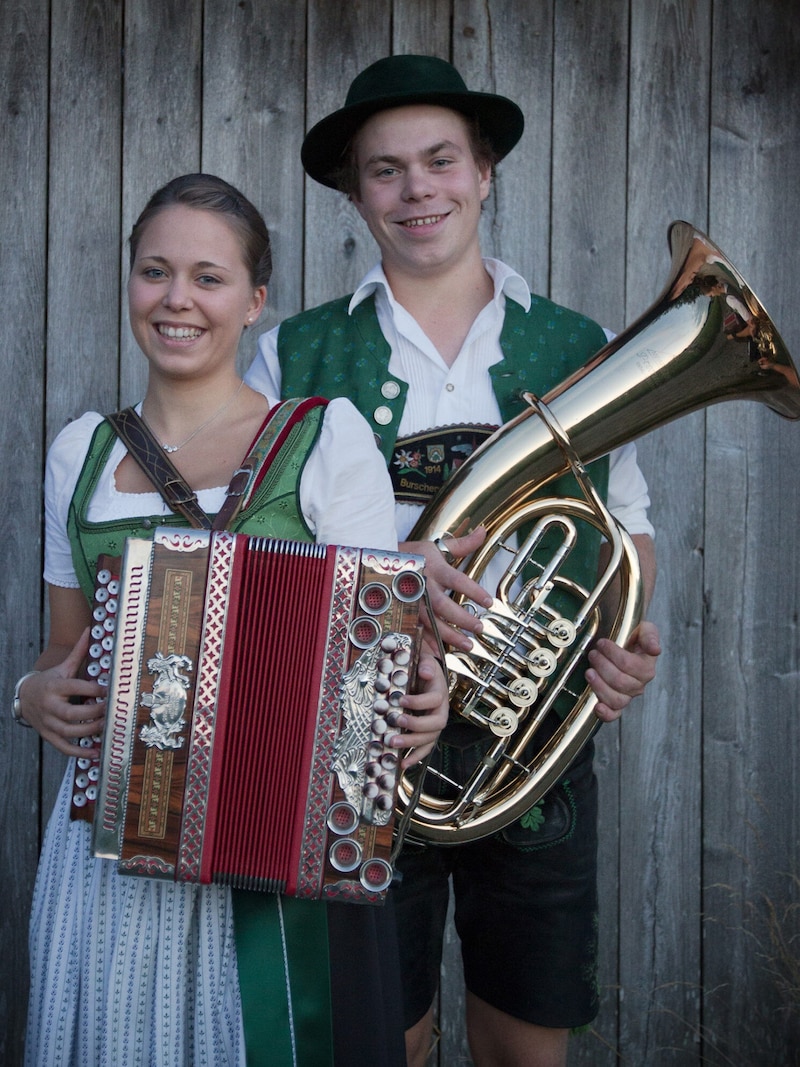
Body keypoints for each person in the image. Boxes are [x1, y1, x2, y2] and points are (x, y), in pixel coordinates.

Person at [245, 55, 662, 1067]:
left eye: (439, 161)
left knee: (525, 1038)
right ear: (355, 193)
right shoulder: (287, 354)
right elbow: (256, 557)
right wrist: (392, 578)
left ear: (483, 172)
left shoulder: (582, 345)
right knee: (377, 1036)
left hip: (534, 744)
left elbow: (625, 523)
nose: (415, 188)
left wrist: (626, 639)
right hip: (360, 739)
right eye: (385, 170)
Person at [14, 173, 449, 1067]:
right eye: (155, 272)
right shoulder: (80, 450)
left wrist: (422, 697)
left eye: (208, 278)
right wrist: (28, 695)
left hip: (282, 842)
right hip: (113, 854)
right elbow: (63, 656)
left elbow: (384, 659)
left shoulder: (327, 438)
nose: (177, 300)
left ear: (254, 302)